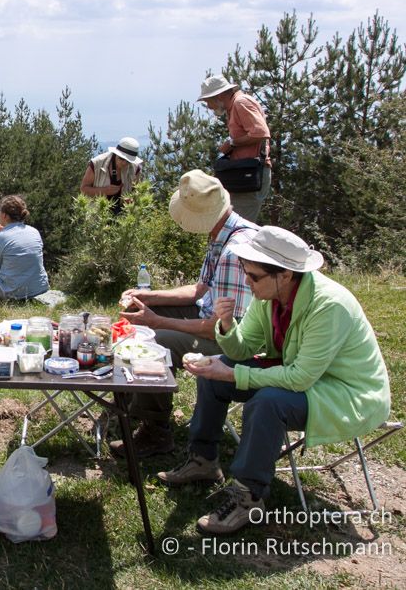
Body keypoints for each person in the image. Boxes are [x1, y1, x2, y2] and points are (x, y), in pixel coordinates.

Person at [159, 226, 391, 535]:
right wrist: (227, 327)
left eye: (253, 276)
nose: (246, 281)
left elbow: (301, 377)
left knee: (268, 401)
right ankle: (203, 459)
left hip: (344, 392)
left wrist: (233, 373)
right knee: (214, 373)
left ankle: (248, 497)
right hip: (301, 374)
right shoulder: (270, 296)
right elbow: (243, 349)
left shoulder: (329, 304)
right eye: (246, 272)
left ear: (285, 274)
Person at [111, 170, 258, 458]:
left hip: (233, 342)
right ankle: (127, 404)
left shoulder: (235, 251)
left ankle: (156, 432)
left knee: (154, 342)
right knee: (138, 315)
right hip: (212, 320)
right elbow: (199, 290)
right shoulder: (223, 233)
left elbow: (221, 329)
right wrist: (145, 296)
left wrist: (157, 321)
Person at [197, 74, 272, 222]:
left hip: (249, 175)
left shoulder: (240, 103)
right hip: (244, 175)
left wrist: (232, 144)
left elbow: (261, 133)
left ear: (219, 96)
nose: (209, 107)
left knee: (238, 226)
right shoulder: (235, 105)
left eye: (208, 101)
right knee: (232, 223)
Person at [79, 137, 143, 213]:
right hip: (97, 214)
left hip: (123, 217)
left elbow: (137, 191)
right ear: (116, 154)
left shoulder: (135, 168)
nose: (124, 163)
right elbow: (84, 189)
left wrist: (132, 200)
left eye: (128, 161)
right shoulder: (97, 163)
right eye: (121, 159)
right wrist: (105, 191)